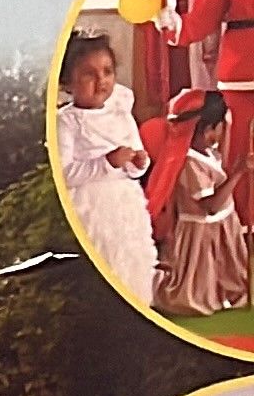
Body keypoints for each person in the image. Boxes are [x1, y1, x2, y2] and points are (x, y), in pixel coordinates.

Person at [56, 31, 159, 303]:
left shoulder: (121, 114)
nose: (101, 80)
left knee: (131, 259)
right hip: (90, 204)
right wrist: (106, 162)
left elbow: (136, 161)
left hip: (124, 202)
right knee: (101, 261)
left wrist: (138, 163)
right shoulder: (66, 121)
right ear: (68, 83)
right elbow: (64, 173)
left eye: (107, 71)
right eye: (89, 74)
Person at [153, 89, 250, 318]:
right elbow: (211, 206)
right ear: (208, 131)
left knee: (227, 274)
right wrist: (238, 173)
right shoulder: (190, 165)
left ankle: (224, 293)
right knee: (200, 282)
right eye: (221, 127)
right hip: (203, 236)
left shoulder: (205, 152)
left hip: (221, 228)